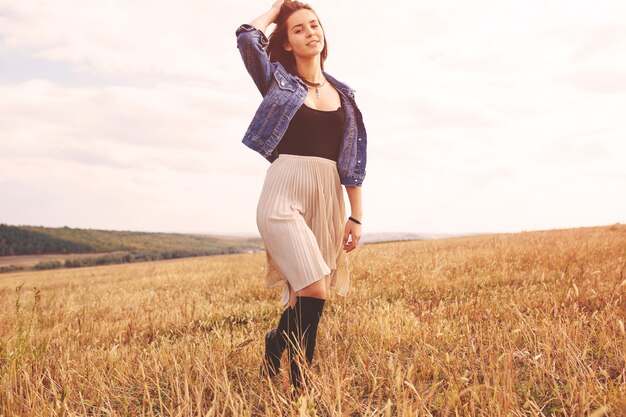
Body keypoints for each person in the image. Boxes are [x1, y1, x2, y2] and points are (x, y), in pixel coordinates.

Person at [235, 0, 367, 395]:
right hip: (284, 191)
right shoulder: (278, 81)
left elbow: (353, 163)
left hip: (327, 196)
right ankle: (301, 387)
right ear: (287, 43)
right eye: (299, 29)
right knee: (315, 289)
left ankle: (277, 342)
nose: (311, 31)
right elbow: (247, 39)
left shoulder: (345, 96)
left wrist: (356, 216)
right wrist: (277, 10)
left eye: (314, 25)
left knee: (299, 297)